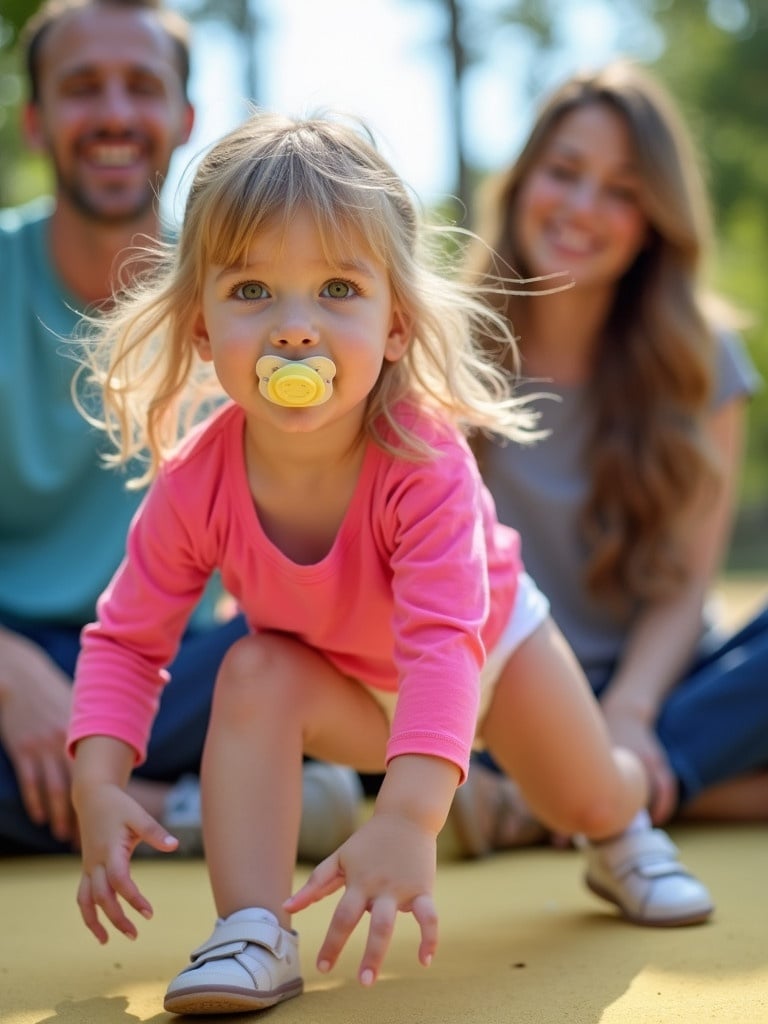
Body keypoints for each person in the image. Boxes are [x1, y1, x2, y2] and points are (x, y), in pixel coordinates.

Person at [67, 110, 713, 1017]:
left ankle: (628, 826)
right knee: (250, 671)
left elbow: (446, 641)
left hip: (491, 653)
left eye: (337, 288)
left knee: (587, 795)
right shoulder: (195, 483)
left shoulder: (421, 457)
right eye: (251, 290)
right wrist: (96, 780)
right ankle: (252, 926)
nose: (296, 329)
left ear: (397, 324)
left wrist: (407, 819)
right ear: (202, 328)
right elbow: (128, 640)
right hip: (342, 684)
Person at [0, 0, 361, 859]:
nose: (116, 114)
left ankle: (138, 792)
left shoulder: (249, 297)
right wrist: (12, 674)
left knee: (331, 635)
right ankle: (197, 809)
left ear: (185, 119)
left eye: (143, 88)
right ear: (36, 119)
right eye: (84, 88)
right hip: (9, 651)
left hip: (169, 665)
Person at [450, 60, 767, 857]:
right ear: (522, 182)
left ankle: (548, 801)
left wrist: (626, 712)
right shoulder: (440, 353)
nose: (584, 208)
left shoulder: (704, 360)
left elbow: (687, 582)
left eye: (622, 190)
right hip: (502, 697)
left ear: (654, 216)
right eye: (565, 172)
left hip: (658, 693)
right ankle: (605, 790)